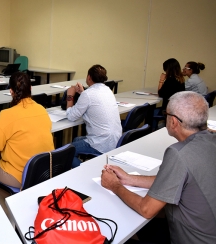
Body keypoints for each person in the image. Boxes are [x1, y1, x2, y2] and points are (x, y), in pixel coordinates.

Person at [101, 91, 216, 243]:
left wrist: (114, 185)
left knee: (116, 234)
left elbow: (146, 209)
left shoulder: (178, 153)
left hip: (193, 239)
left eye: (165, 113)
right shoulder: (211, 140)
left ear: (174, 121)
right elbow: (173, 180)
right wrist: (129, 179)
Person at [0, 72, 54, 189]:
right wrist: (2, 125)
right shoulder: (41, 109)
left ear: (11, 91)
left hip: (21, 174)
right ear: (30, 88)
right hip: (43, 170)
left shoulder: (7, 114)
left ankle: (12, 201)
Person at [66, 64, 122, 168]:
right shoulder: (107, 90)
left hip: (101, 142)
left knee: (66, 152)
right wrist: (83, 93)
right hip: (115, 139)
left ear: (89, 77)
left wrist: (70, 96)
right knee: (76, 140)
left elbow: (71, 116)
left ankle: (84, 171)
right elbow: (92, 100)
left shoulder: (88, 94)